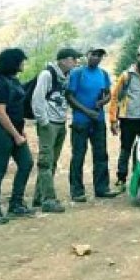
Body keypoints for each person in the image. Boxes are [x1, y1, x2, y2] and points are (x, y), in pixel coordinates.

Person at [0, 48, 35, 224]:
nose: (23, 63)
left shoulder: (13, 81)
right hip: (2, 132)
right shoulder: (0, 82)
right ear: (13, 62)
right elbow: (0, 112)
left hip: (16, 131)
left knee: (26, 163)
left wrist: (20, 131)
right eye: (21, 60)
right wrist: (15, 135)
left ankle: (16, 203)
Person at [30, 47, 81, 213]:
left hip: (59, 123)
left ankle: (39, 196)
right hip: (49, 124)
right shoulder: (47, 75)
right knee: (46, 161)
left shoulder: (65, 76)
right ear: (64, 60)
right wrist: (43, 121)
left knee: (52, 161)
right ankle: (49, 199)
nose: (76, 62)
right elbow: (37, 99)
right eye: (74, 59)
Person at [66, 47, 119, 202]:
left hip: (98, 120)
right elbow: (69, 96)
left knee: (101, 155)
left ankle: (102, 188)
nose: (96, 58)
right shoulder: (77, 73)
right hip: (80, 121)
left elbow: (108, 94)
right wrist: (87, 111)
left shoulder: (103, 74)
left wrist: (102, 101)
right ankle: (77, 191)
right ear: (87, 55)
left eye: (99, 56)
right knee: (78, 156)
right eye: (94, 54)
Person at [109, 45, 140, 194]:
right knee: (126, 149)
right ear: (137, 57)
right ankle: (121, 179)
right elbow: (115, 96)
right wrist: (113, 120)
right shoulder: (126, 75)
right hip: (128, 118)